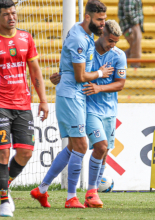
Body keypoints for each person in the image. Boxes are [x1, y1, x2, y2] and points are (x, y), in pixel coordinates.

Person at [30, 0, 111, 209]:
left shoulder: (82, 32)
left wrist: (63, 73)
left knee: (74, 147)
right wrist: (101, 73)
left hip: (74, 94)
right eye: (99, 20)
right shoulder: (79, 38)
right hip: (71, 96)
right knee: (82, 145)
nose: (103, 24)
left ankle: (42, 189)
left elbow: (70, 66)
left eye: (104, 19)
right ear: (88, 17)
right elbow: (80, 75)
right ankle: (71, 197)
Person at [0, 0, 49, 217]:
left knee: (25, 152)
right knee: (3, 152)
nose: (11, 17)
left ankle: (3, 182)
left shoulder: (26, 38)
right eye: (6, 14)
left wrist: (43, 100)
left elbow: (35, 72)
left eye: (14, 13)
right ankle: (4, 201)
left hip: (23, 103)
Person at [46, 20, 126, 208]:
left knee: (101, 150)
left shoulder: (118, 55)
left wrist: (100, 87)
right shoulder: (88, 49)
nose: (113, 45)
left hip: (109, 110)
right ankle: (89, 193)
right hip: (87, 109)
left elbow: (120, 84)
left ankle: (46, 188)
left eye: (116, 42)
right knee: (98, 146)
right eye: (110, 41)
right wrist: (59, 77)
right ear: (102, 34)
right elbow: (76, 72)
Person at [118, 0, 144, 68]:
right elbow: (128, 11)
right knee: (136, 48)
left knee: (134, 48)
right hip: (131, 26)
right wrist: (136, 23)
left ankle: (116, 61)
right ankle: (135, 67)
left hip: (130, 26)